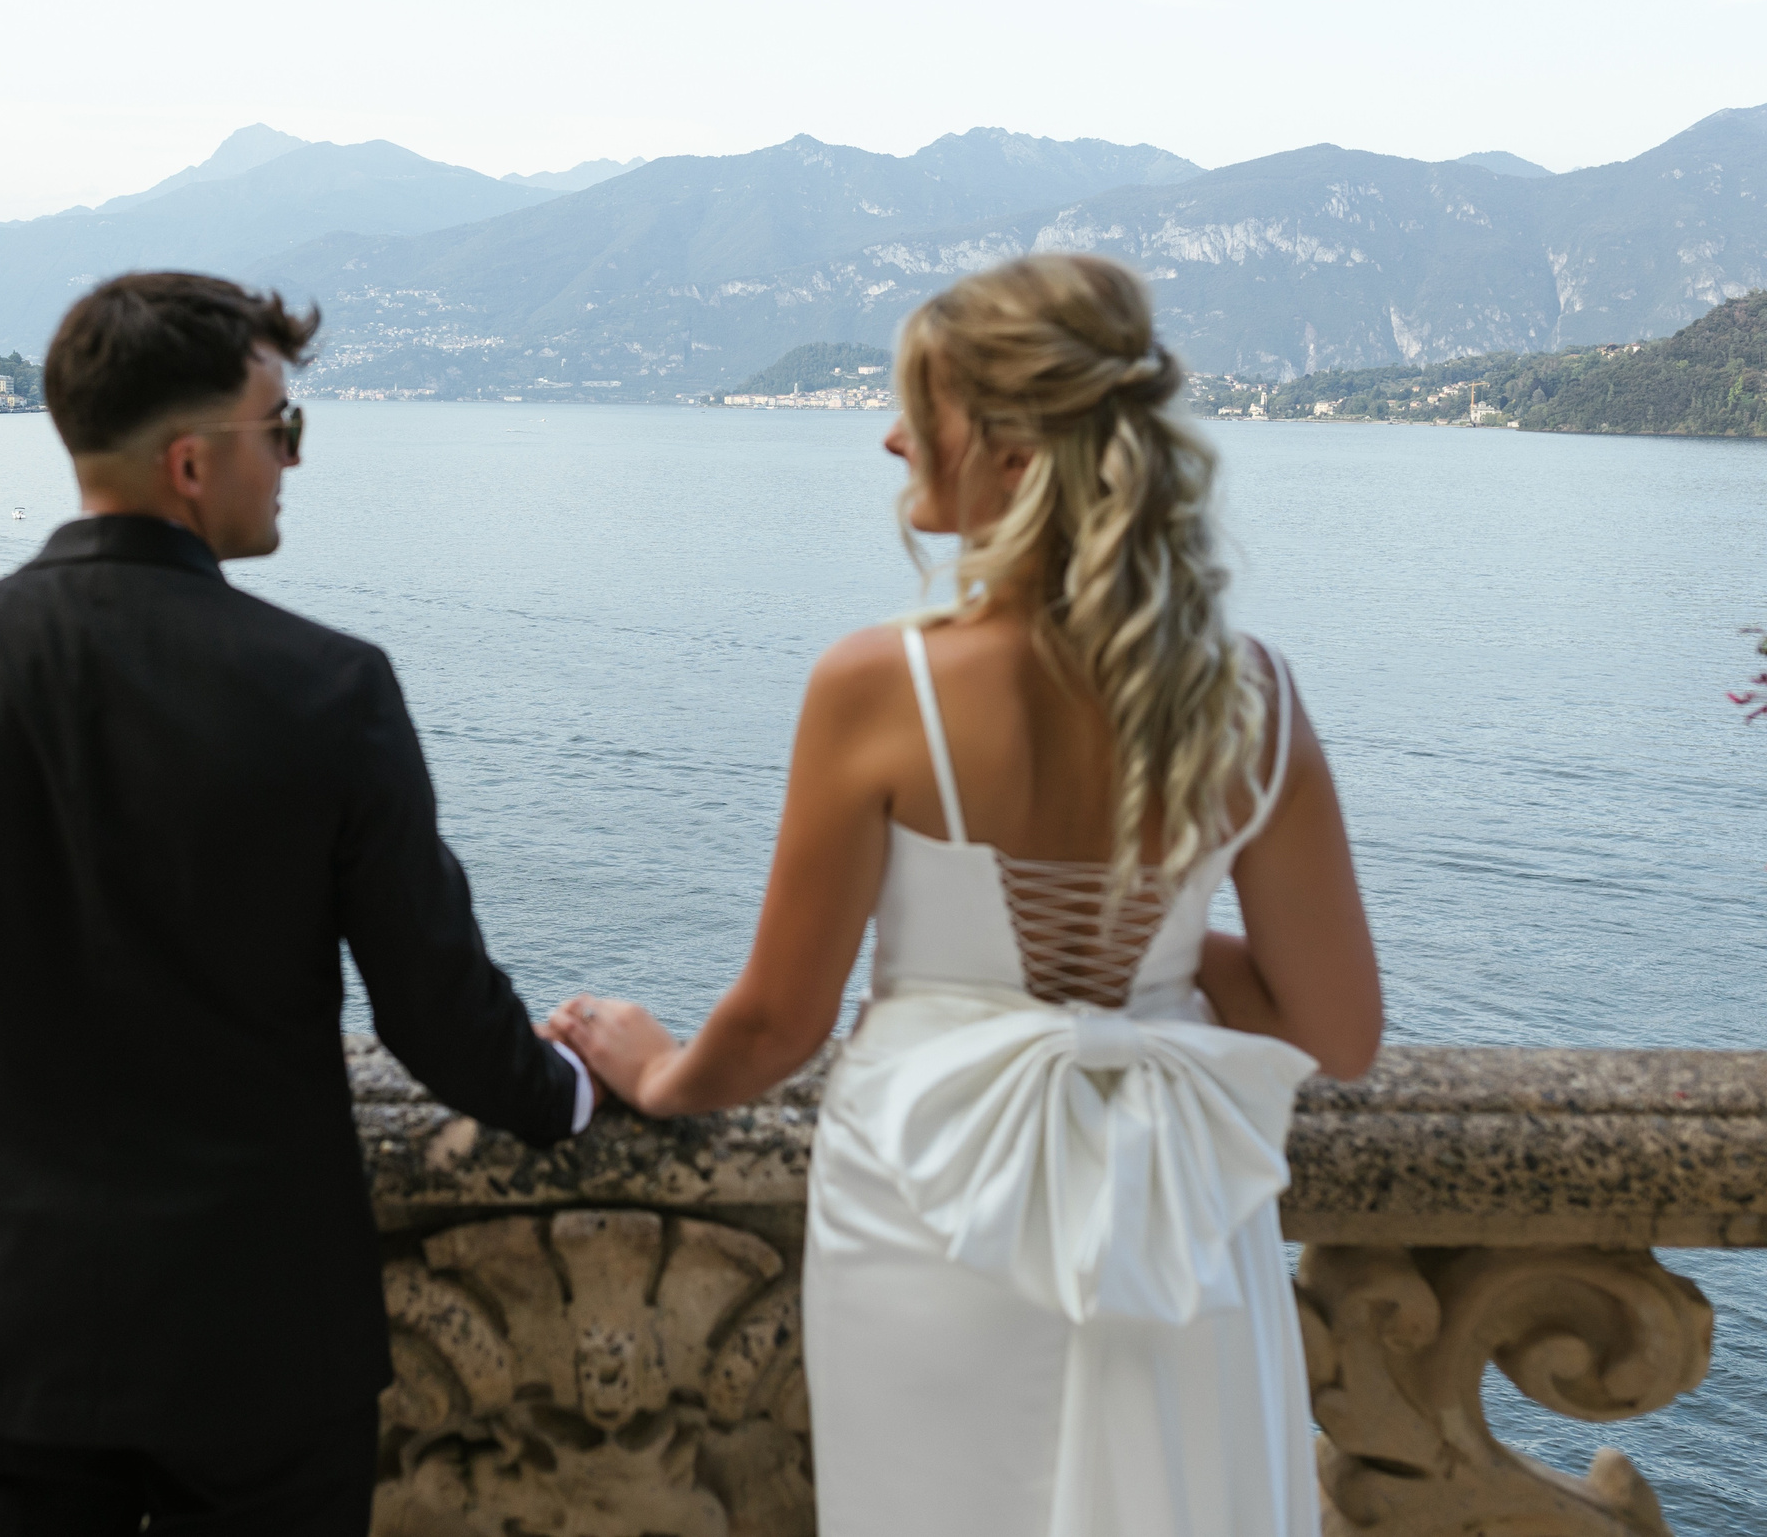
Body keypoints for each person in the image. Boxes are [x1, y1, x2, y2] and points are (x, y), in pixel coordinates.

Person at [551, 253, 1382, 1536]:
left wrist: (656, 1075)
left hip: (927, 1212)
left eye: (916, 409)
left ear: (1007, 451)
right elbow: (1335, 1036)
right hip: (1173, 1218)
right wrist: (1166, 954)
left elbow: (779, 1024)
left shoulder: (879, 685)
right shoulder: (1252, 698)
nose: (889, 435)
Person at [0, 272, 595, 1536]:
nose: (293, 465)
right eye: (284, 432)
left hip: (14, 1349)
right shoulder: (329, 692)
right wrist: (580, 1087)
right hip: (264, 1358)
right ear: (194, 464)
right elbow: (437, 1019)